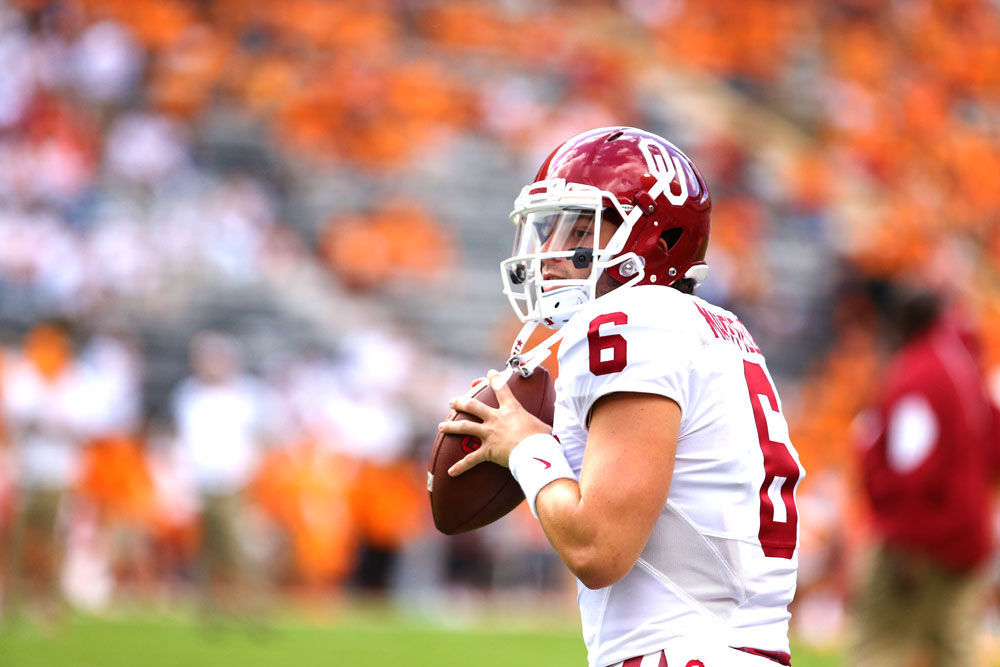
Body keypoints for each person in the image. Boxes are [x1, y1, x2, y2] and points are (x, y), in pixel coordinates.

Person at [439, 127, 805, 666]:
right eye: (546, 230)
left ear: (655, 241)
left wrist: (525, 449)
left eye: (579, 230)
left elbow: (598, 547)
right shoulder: (721, 330)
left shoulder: (634, 321)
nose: (550, 253)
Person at [850, 289, 1000, 666]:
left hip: (923, 542)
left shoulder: (919, 375)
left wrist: (904, 544)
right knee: (950, 651)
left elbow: (909, 468)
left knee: (881, 647)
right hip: (966, 536)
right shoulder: (964, 366)